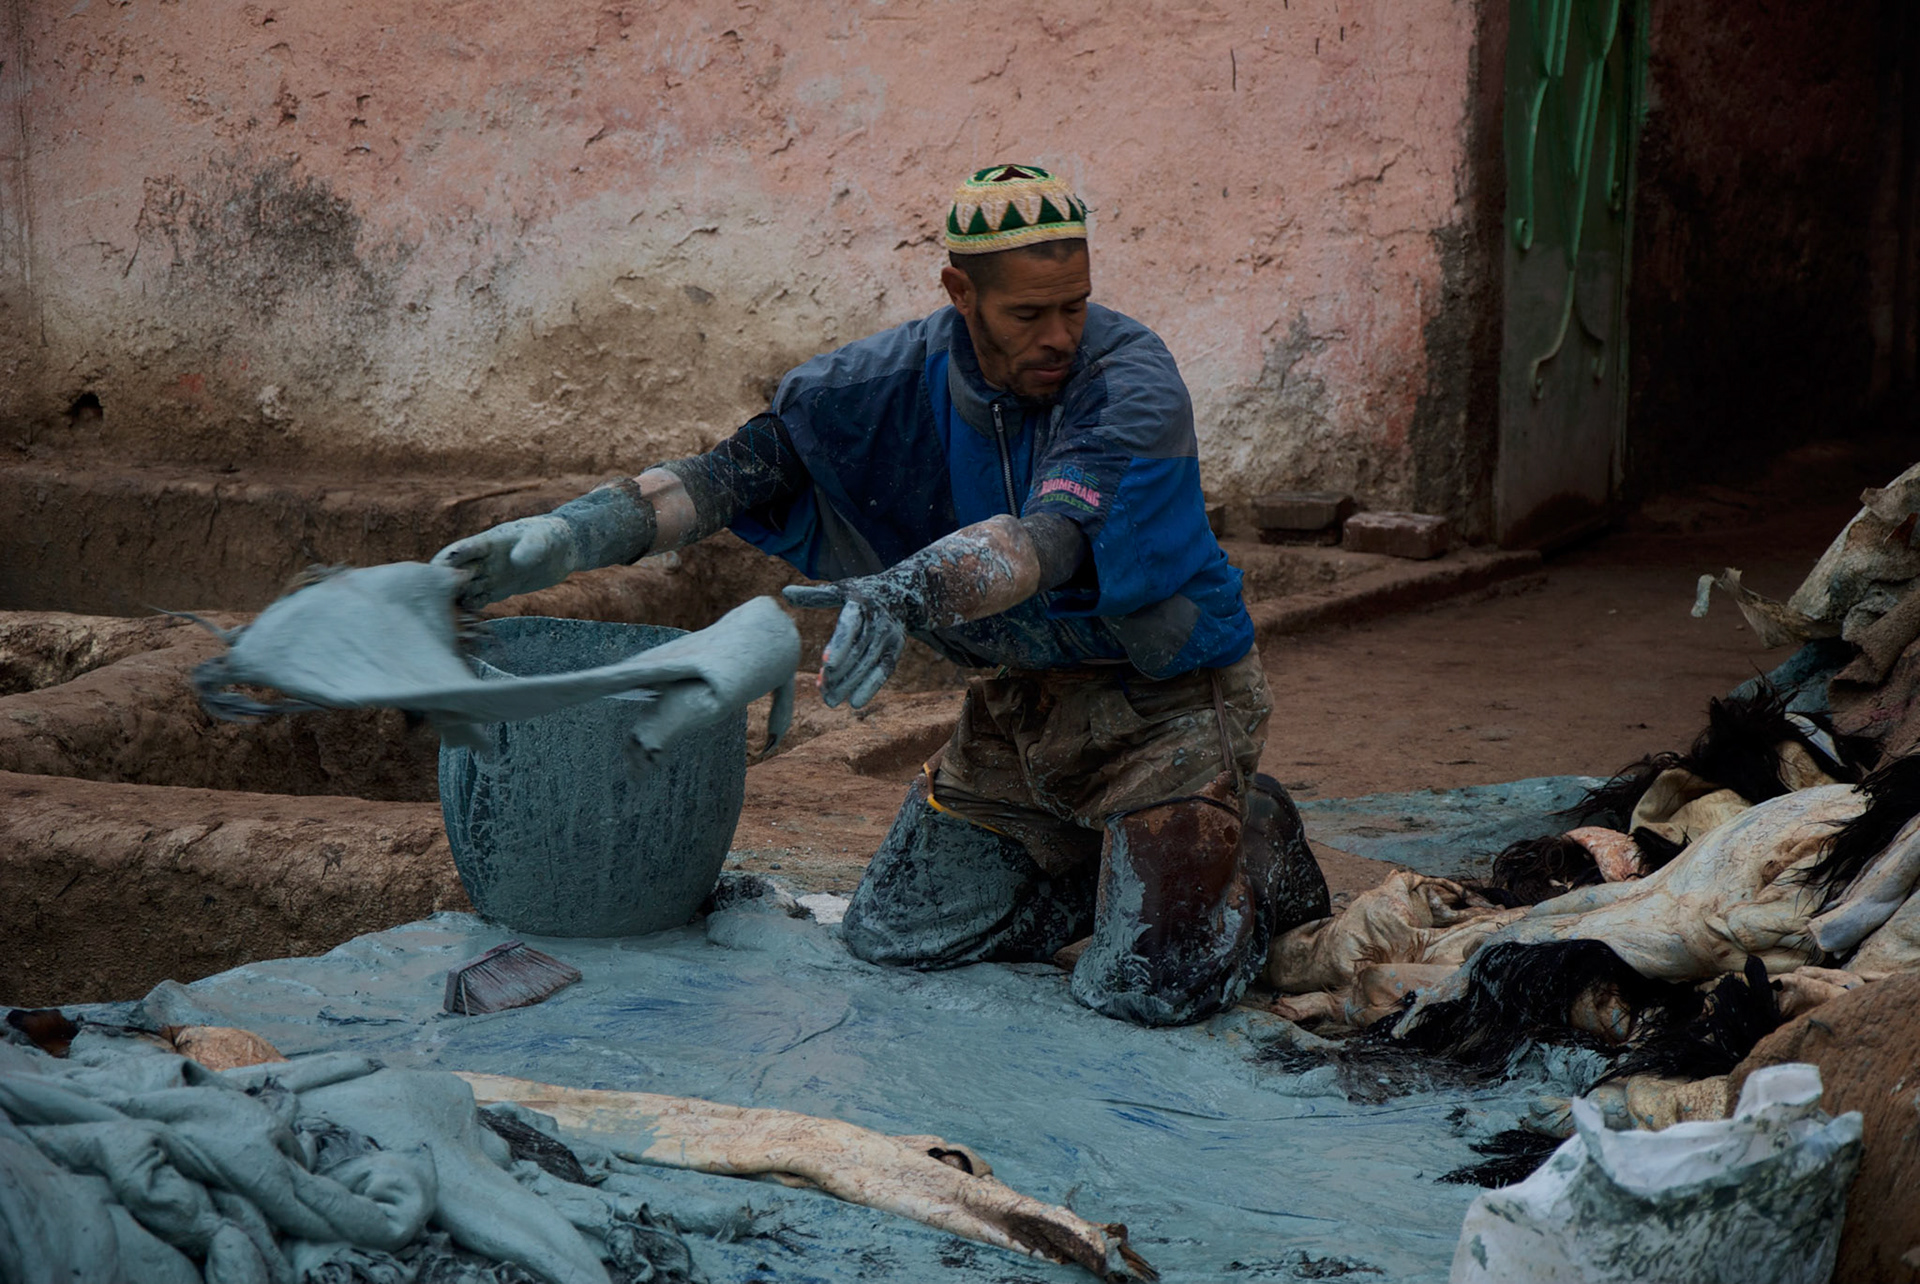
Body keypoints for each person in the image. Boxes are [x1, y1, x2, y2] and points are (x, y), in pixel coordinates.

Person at [434, 163, 1323, 1026]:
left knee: (1143, 990)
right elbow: (728, 477)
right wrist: (564, 538)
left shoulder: (1128, 379)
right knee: (896, 936)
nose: (1060, 334)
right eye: (1029, 313)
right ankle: (1119, 868)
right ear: (958, 292)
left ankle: (1247, 833)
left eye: (1075, 305)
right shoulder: (878, 384)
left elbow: (1045, 542)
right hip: (1018, 718)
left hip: (1163, 711)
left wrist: (909, 590)